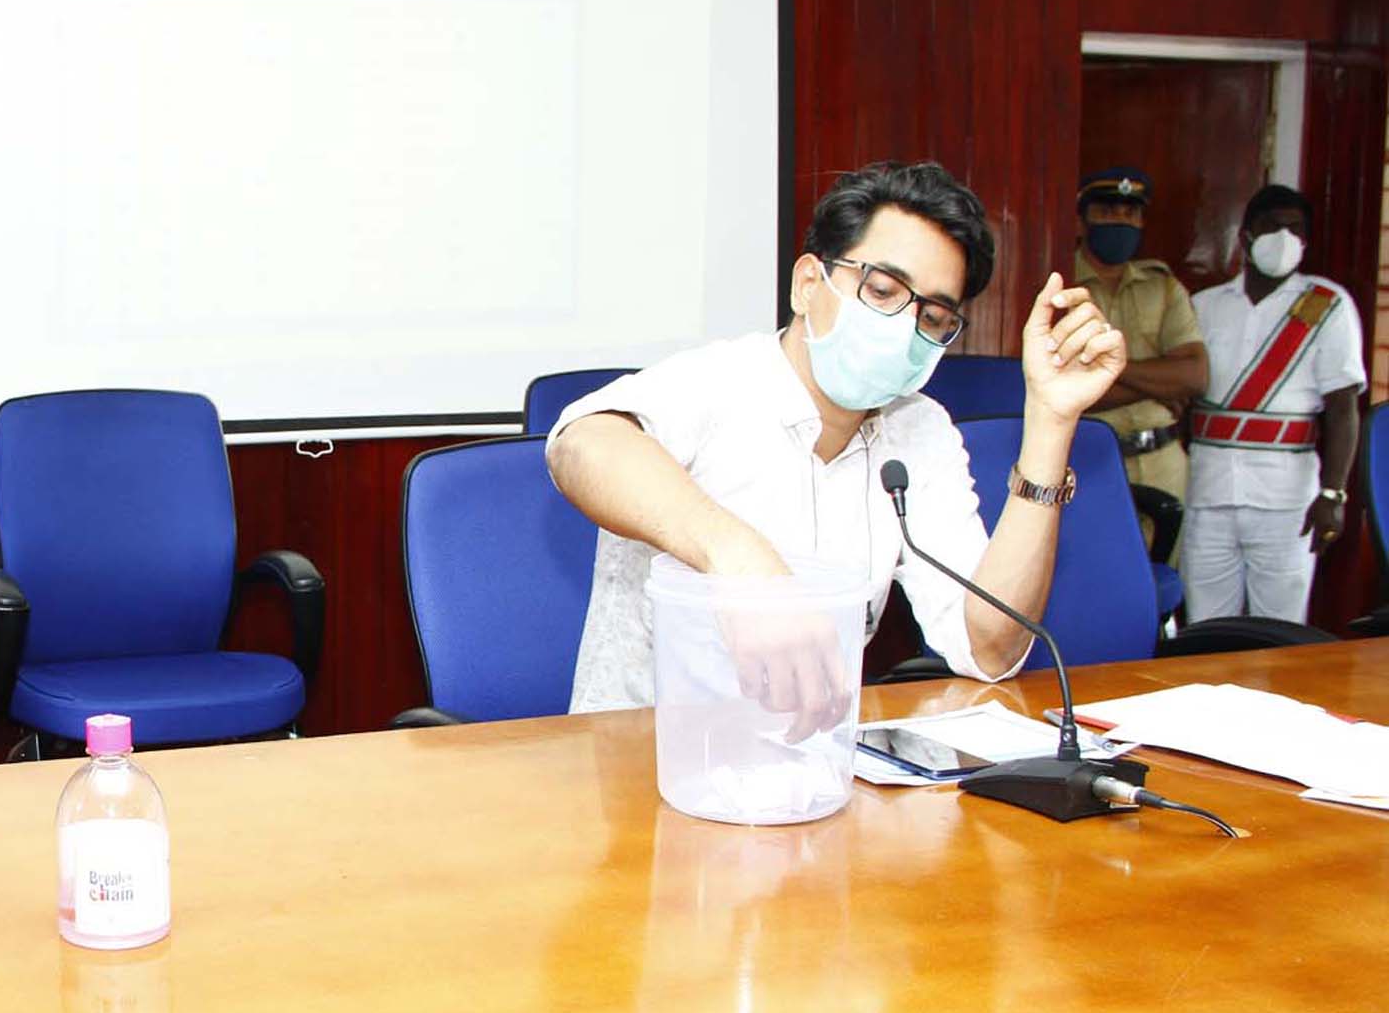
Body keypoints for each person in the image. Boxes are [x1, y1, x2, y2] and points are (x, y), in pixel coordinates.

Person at [545, 161, 1126, 728]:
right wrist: (741, 559)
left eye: (932, 316)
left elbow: (990, 648)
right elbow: (583, 444)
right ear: (807, 285)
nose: (904, 326)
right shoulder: (718, 382)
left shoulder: (919, 430)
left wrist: (1050, 420)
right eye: (882, 290)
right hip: (643, 751)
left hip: (812, 758)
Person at [1180, 185, 1365, 623]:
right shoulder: (1203, 306)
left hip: (1288, 503)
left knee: (1279, 631)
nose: (1284, 237)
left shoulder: (1327, 304)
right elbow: (1183, 397)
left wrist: (1333, 494)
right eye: (1272, 227)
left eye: (1295, 229)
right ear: (1245, 236)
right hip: (1207, 493)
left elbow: (1343, 409)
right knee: (1207, 629)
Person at [1072, 167, 1206, 513]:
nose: (1120, 221)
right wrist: (1161, 384)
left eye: (1130, 213)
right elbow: (1069, 391)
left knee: (1167, 552)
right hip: (1087, 461)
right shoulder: (1061, 286)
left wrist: (1108, 369)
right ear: (1081, 222)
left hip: (1164, 464)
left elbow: (1194, 377)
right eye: (1106, 211)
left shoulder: (1163, 287)